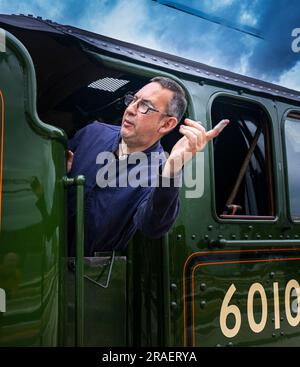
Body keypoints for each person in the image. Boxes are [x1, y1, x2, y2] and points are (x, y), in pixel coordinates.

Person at [67, 76, 229, 255]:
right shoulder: (92, 133)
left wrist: (172, 167)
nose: (130, 109)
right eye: (133, 99)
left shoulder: (156, 176)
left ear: (167, 124)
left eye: (145, 106)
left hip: (86, 276)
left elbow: (153, 226)